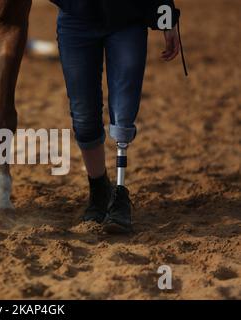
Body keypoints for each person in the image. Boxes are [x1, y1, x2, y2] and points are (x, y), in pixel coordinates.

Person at [51, 0, 183, 233]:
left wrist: (167, 20)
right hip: (76, 18)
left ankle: (120, 195)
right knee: (83, 117)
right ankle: (98, 190)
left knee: (123, 114)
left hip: (127, 19)